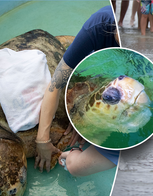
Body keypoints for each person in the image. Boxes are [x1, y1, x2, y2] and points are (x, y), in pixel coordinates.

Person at [34, 5, 120, 175]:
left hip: (127, 83)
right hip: (103, 70)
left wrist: (88, 124)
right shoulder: (98, 26)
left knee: (77, 165)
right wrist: (42, 139)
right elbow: (56, 84)